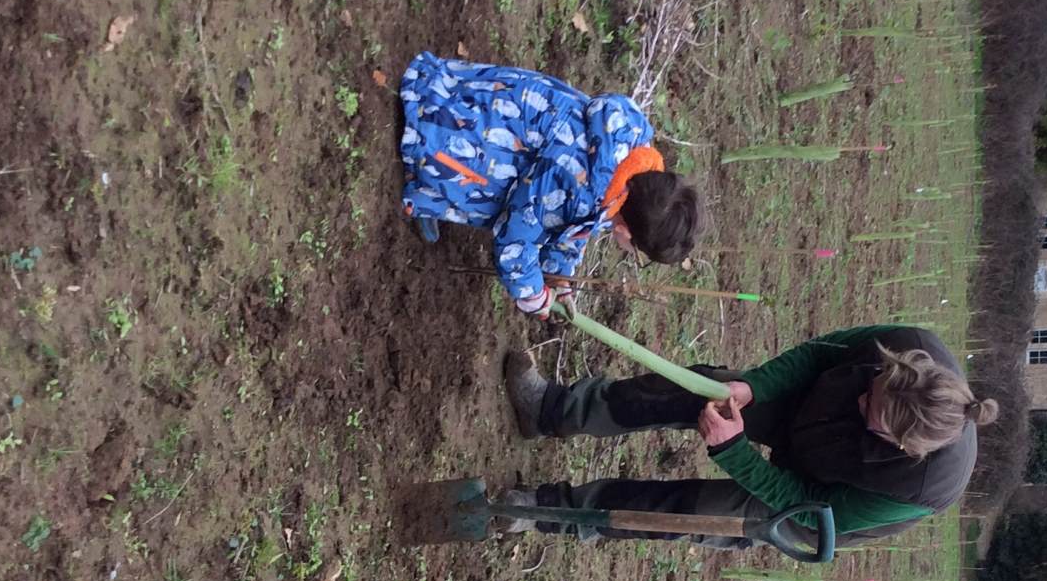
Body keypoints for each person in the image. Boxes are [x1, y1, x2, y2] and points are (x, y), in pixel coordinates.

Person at [501, 324, 998, 547]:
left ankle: (544, 511)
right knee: (693, 390)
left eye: (873, 413)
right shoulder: (908, 345)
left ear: (900, 445)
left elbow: (805, 502)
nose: (863, 400)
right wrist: (753, 386)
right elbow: (818, 354)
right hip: (810, 403)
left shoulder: (914, 489)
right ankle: (551, 410)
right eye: (873, 387)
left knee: (693, 513)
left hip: (813, 508)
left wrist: (733, 452)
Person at [397, 52, 708, 316]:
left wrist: (558, 274)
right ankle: (424, 177)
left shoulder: (628, 163)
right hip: (443, 126)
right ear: (626, 233)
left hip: (474, 92)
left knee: (518, 188)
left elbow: (576, 223)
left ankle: (433, 189)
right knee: (490, 191)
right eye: (636, 253)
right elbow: (515, 236)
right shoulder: (581, 186)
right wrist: (533, 294)